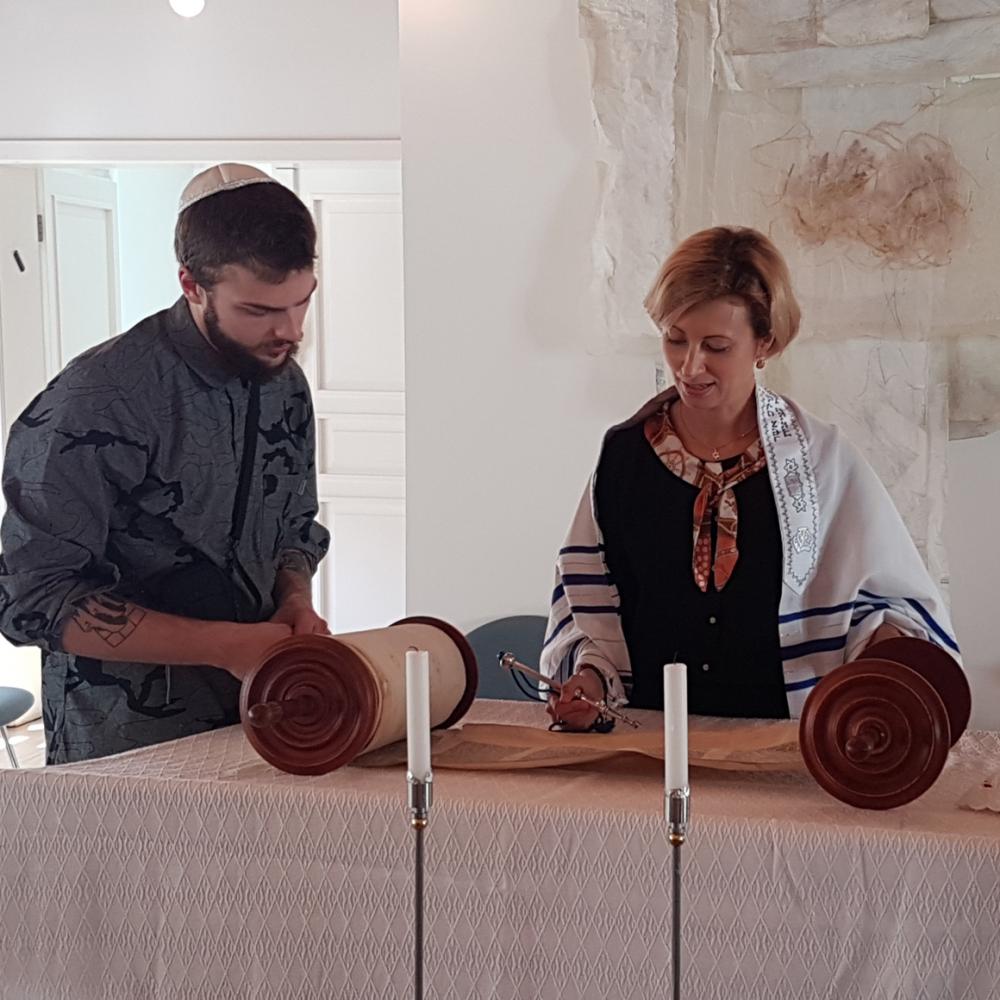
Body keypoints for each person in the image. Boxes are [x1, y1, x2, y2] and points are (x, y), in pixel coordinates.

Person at [541, 226, 960, 730]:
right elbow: (590, 605)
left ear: (766, 342)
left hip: (782, 751)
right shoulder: (624, 456)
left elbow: (884, 611)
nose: (690, 366)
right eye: (675, 340)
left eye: (716, 346)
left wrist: (885, 652)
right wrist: (588, 679)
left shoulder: (821, 462)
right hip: (648, 744)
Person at [0, 163, 330, 763]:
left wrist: (295, 601)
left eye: (302, 301)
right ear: (191, 283)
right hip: (121, 739)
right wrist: (229, 646)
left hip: (264, 715)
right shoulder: (94, 401)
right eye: (257, 310)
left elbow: (294, 528)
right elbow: (34, 599)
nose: (289, 331)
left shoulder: (285, 385)